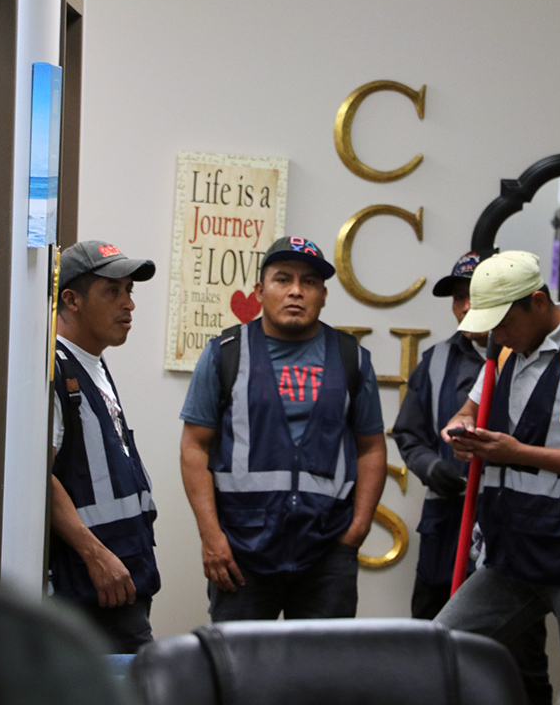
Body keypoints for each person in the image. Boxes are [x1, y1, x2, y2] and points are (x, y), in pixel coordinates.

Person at [437, 251, 560, 705]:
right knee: (439, 648)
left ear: (539, 302)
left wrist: (519, 453)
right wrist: (458, 431)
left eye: (504, 321)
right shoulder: (505, 352)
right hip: (513, 554)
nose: (496, 334)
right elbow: (466, 411)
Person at [180, 236, 386, 621]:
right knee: (239, 671)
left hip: (327, 551)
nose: (296, 291)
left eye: (309, 282)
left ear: (323, 294)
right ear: (260, 291)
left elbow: (371, 447)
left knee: (320, 674)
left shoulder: (351, 357)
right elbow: (195, 447)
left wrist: (356, 531)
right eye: (283, 279)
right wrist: (211, 537)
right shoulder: (225, 352)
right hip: (241, 550)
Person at [393, 249, 552, 705]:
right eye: (459, 297)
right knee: (431, 639)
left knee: (518, 653)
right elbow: (409, 432)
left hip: (509, 523)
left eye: (473, 296)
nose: (466, 307)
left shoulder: (530, 359)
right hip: (447, 520)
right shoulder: (437, 359)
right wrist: (433, 467)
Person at [51, 240, 160, 654]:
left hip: (125, 577)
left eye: (129, 290)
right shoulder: (56, 369)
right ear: (72, 300)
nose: (128, 304)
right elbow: (39, 476)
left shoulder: (93, 363)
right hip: (89, 587)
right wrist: (95, 554)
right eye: (112, 291)